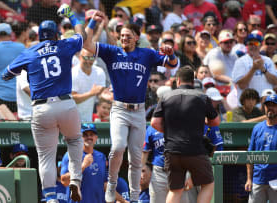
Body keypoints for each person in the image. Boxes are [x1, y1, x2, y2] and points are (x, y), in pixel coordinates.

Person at [2, 5, 105, 202]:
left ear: (40, 35)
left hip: (41, 108)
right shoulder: (64, 45)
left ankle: (50, 197)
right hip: (66, 105)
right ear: (56, 34)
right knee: (75, 141)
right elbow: (83, 38)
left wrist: (24, 69)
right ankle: (75, 179)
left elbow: (6, 74)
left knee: (46, 155)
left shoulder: (30, 52)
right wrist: (73, 17)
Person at [83, 15, 178, 201]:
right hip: (119, 109)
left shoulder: (147, 54)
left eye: (128, 35)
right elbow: (86, 43)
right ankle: (111, 183)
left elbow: (173, 64)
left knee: (136, 157)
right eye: (122, 35)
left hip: (139, 111)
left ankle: (134, 197)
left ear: (136, 37)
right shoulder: (112, 51)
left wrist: (171, 53)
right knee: (118, 147)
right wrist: (93, 23)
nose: (124, 38)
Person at [151, 66, 220, 203]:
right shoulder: (202, 96)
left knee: (175, 190)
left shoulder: (165, 97)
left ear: (177, 80)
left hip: (172, 150)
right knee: (207, 183)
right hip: (195, 150)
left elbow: (154, 123)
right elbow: (216, 121)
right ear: (193, 81)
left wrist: (171, 131)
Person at [60, 123, 107, 203]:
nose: (89, 137)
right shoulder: (71, 155)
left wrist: (122, 200)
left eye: (91, 134)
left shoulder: (101, 156)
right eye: (85, 135)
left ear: (96, 137)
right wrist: (83, 166)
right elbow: (64, 181)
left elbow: (105, 184)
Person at [245, 94, 277, 202]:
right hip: (258, 179)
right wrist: (249, 179)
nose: (270, 108)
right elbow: (250, 154)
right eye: (268, 105)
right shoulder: (257, 128)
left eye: (274, 105)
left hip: (276, 180)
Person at [232, 30, 277, 101]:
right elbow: (241, 85)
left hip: (266, 103)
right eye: (250, 43)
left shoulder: (268, 60)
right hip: (249, 106)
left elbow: (275, 82)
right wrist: (253, 69)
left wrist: (263, 70)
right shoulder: (240, 61)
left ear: (260, 45)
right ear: (247, 45)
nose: (253, 46)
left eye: (256, 43)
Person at [71, 49, 106, 122]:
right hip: (71, 120)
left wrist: (106, 95)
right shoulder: (73, 73)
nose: (89, 61)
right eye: (86, 57)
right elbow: (73, 99)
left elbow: (100, 96)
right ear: (80, 57)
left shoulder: (99, 72)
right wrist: (91, 93)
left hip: (88, 118)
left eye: (92, 58)